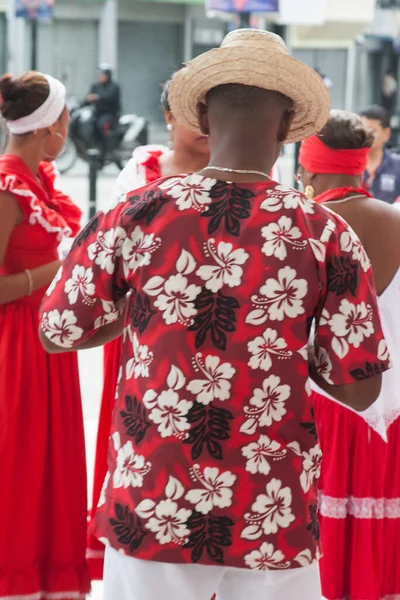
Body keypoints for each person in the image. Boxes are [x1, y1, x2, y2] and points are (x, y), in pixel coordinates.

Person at [39, 30, 389, 600]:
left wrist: (140, 313)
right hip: (272, 503)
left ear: (202, 114)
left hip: (154, 496)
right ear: (285, 127)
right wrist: (290, 344)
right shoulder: (325, 232)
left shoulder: (137, 212)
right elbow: (362, 391)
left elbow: (58, 330)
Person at [87, 76, 210, 580]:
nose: (202, 126)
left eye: (209, 113)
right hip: (148, 330)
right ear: (168, 118)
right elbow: (106, 252)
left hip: (210, 329)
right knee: (148, 439)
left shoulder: (245, 166)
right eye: (190, 113)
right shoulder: (142, 170)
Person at [298, 109, 400, 600]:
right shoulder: (397, 219)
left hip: (331, 403)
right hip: (395, 408)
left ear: (309, 172)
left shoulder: (306, 226)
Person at [0, 71, 90, 599]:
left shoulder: (36, 180)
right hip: (16, 343)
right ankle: (16, 577)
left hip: (46, 339)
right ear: (49, 127)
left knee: (48, 461)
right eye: (66, 120)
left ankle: (43, 575)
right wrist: (52, 273)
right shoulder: (8, 185)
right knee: (20, 459)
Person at [361, 104, 400, 204]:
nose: (366, 135)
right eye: (362, 129)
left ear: (386, 134)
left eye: (372, 130)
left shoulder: (397, 165)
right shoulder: (349, 165)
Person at [86, 64, 121, 162]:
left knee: (102, 126)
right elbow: (88, 98)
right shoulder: (95, 86)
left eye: (102, 75)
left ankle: (107, 148)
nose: (100, 77)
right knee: (87, 124)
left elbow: (109, 98)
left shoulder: (114, 87)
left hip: (110, 115)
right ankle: (92, 146)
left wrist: (97, 98)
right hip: (97, 114)